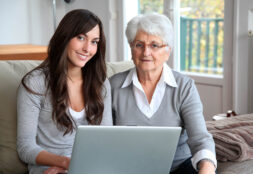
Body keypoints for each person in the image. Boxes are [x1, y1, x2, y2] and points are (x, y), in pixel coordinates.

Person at [109, 13, 217, 174]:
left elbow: (200, 138)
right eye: (139, 45)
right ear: (131, 48)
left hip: (178, 167)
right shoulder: (112, 86)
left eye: (154, 45)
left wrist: (207, 167)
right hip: (130, 168)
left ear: (167, 51)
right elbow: (104, 139)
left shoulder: (184, 86)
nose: (146, 52)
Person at [17, 9, 112, 174]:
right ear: (65, 37)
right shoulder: (36, 83)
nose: (87, 49)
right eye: (81, 38)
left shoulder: (101, 84)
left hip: (88, 169)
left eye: (94, 42)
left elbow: (106, 140)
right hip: (49, 169)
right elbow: (25, 147)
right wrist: (65, 163)